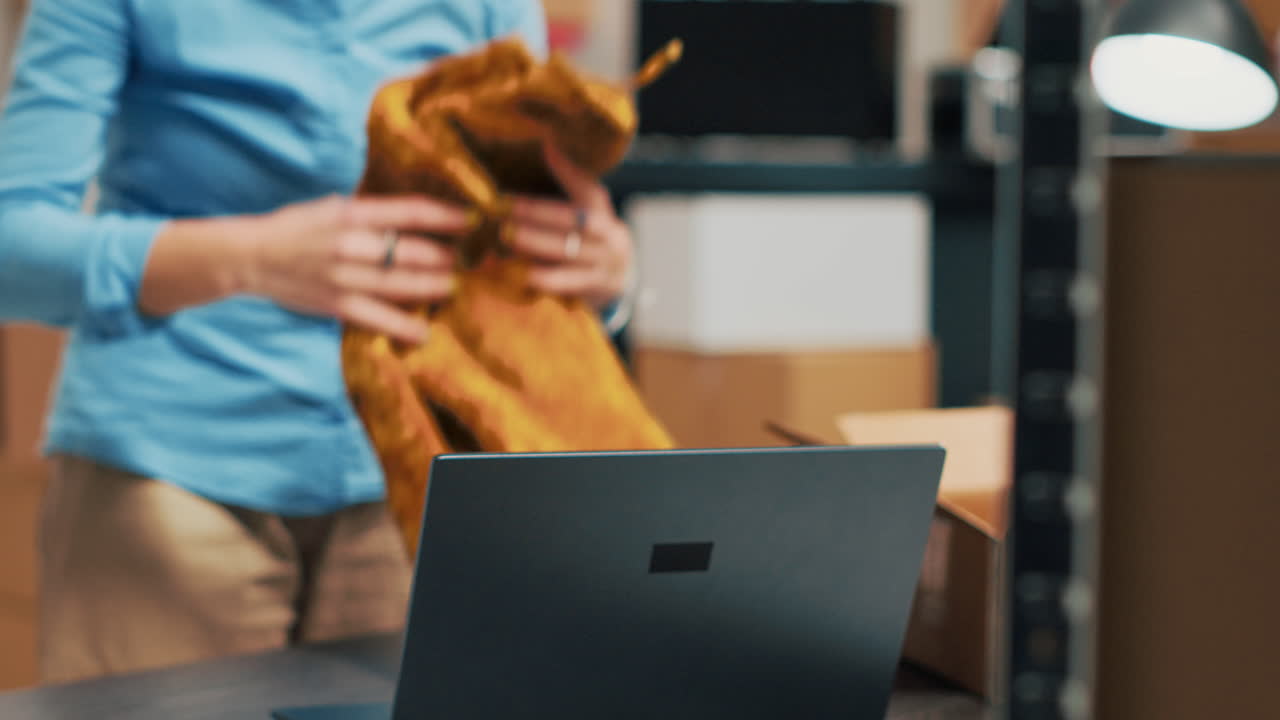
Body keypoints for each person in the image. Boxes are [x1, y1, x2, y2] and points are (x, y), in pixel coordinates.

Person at [0, 0, 636, 685]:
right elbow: (14, 246)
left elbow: (513, 225)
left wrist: (597, 268)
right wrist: (252, 257)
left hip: (411, 484)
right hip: (171, 476)